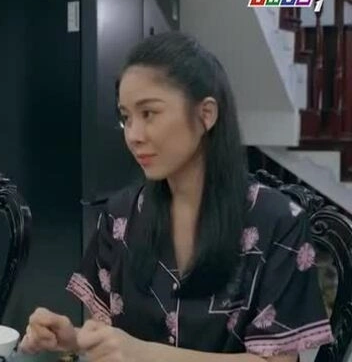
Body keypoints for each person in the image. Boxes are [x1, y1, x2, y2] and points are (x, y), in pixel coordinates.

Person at [19, 32, 334, 361]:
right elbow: (108, 337)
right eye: (126, 118)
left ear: (206, 114)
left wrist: (143, 354)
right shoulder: (121, 216)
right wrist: (72, 339)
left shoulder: (278, 222)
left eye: (149, 114)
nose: (133, 136)